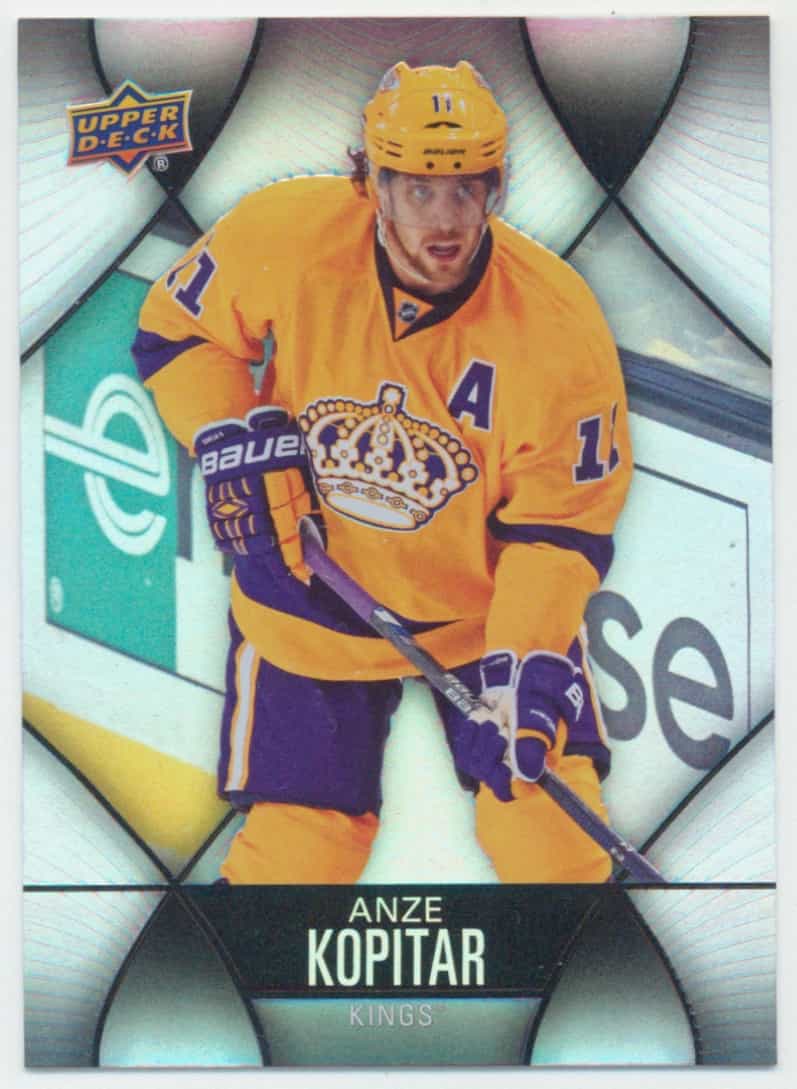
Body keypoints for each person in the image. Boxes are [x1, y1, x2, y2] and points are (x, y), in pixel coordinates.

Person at [132, 60, 632, 885]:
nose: (445, 218)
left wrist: (521, 665)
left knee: (548, 837)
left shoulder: (558, 324)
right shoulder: (288, 232)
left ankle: (597, 961)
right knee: (299, 853)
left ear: (498, 186)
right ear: (371, 181)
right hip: (308, 593)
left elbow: (559, 528)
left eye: (467, 188)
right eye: (418, 188)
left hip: (480, 614)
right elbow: (180, 331)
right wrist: (224, 438)